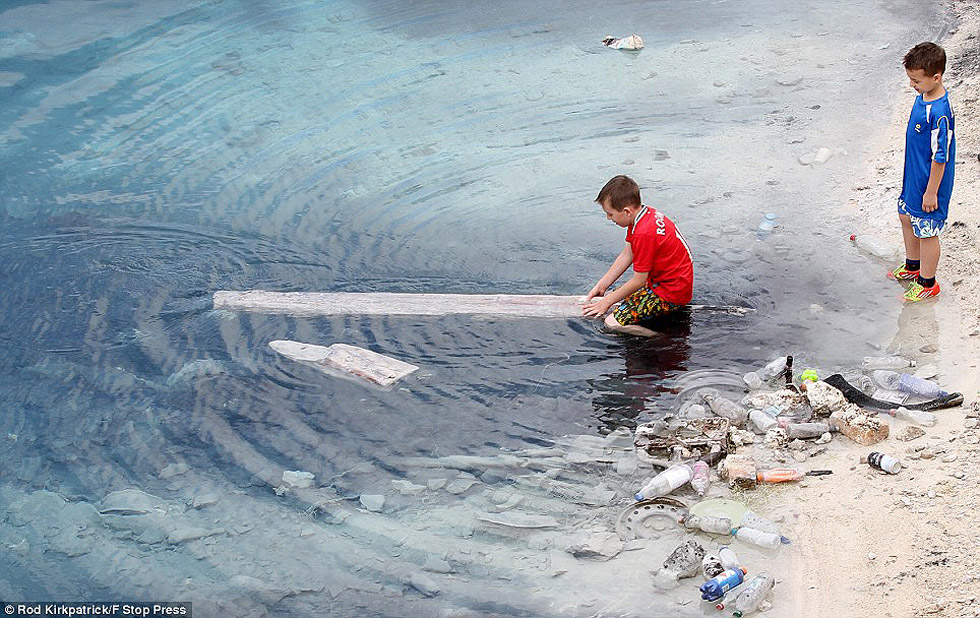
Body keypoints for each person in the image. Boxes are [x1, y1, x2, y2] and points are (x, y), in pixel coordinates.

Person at [582, 175, 693, 336]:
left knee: (611, 323)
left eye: (610, 213)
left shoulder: (644, 233)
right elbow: (627, 254)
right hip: (672, 282)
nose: (608, 218)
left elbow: (639, 280)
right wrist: (602, 285)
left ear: (626, 211)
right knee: (616, 295)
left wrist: (605, 303)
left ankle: (659, 337)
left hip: (671, 293)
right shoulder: (643, 216)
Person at [889, 41, 955, 301]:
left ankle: (928, 282)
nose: (911, 85)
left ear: (936, 77)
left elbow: (941, 157)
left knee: (927, 230)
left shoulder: (939, 113)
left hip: (930, 183)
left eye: (916, 80)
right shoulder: (923, 97)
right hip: (912, 176)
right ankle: (912, 265)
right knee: (906, 216)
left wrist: (931, 192)